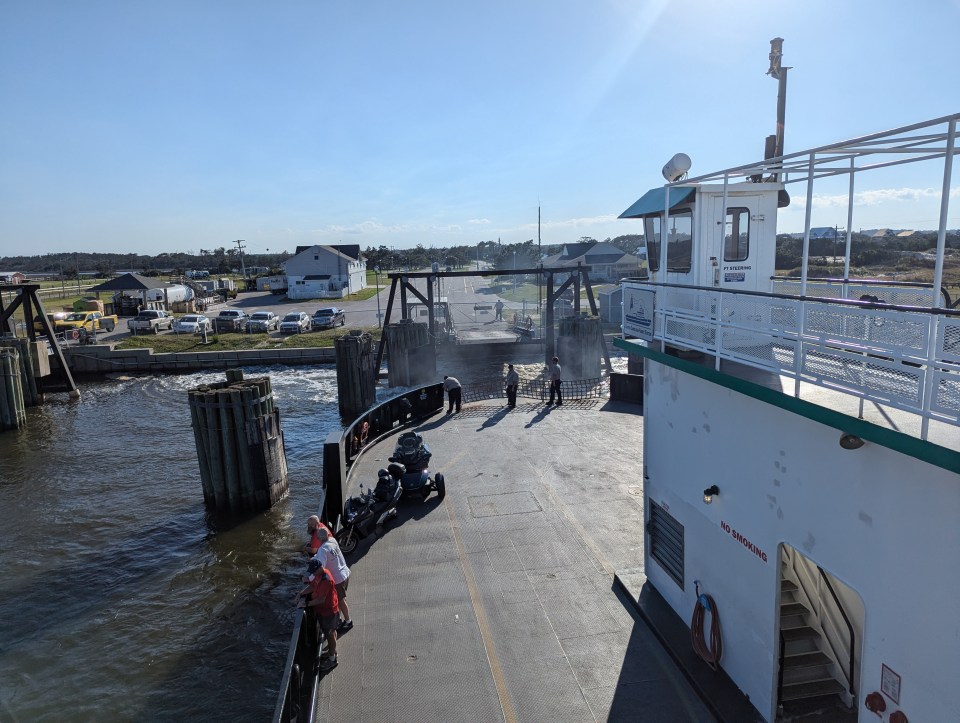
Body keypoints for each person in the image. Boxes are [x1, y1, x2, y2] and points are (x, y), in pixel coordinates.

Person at [293, 560, 340, 670]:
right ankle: (331, 651)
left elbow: (321, 599)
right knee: (331, 633)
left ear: (320, 568)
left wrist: (306, 604)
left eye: (314, 571)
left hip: (329, 612)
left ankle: (332, 659)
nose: (313, 574)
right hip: (323, 612)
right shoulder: (319, 576)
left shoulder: (326, 580)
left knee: (330, 634)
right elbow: (313, 587)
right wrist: (300, 594)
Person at [313, 527, 353, 633]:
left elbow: (320, 567)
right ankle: (340, 619)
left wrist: (310, 577)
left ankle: (348, 622)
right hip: (345, 572)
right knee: (341, 599)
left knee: (341, 601)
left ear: (318, 538)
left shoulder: (322, 550)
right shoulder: (332, 540)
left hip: (338, 578)